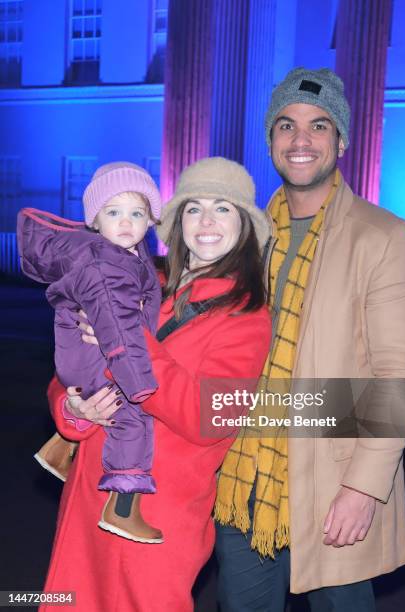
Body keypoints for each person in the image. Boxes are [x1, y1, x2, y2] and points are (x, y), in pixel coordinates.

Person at [214, 67, 405, 611]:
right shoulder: (242, 238)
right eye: (286, 125)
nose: (301, 140)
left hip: (333, 486)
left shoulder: (384, 238)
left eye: (319, 125)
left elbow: (398, 379)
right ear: (270, 140)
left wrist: (363, 489)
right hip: (242, 480)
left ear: (341, 140)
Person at [40, 157, 272, 611]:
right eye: (193, 208)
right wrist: (73, 410)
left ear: (244, 225)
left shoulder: (247, 316)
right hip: (89, 497)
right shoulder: (143, 281)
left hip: (157, 516)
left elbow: (210, 418)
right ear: (173, 222)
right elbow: (68, 371)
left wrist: (130, 340)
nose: (206, 221)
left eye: (223, 208)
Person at [18, 162, 164, 543]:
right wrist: (139, 383)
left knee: (110, 403)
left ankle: (59, 449)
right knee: (134, 419)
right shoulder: (108, 264)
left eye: (137, 213)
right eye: (114, 212)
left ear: (151, 221)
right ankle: (122, 508)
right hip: (95, 358)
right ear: (95, 221)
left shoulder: (127, 257)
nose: (127, 222)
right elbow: (118, 328)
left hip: (83, 360)